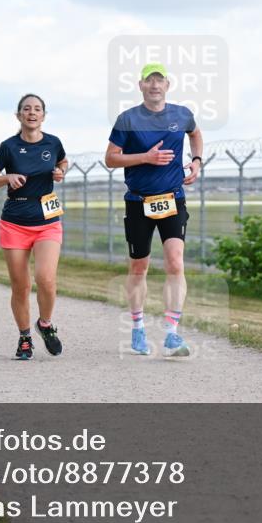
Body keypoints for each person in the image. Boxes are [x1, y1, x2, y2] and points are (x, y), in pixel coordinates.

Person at [104, 62, 204, 358]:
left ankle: (172, 333)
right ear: (141, 85)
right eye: (149, 80)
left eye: (160, 80)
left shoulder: (182, 114)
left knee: (175, 262)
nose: (155, 85)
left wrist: (196, 161)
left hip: (173, 198)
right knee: (139, 267)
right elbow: (111, 158)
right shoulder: (127, 119)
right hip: (139, 202)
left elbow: (195, 134)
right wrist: (145, 157)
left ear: (167, 85)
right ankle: (138, 328)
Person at [0, 94, 67, 360]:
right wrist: (6, 177)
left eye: (37, 109)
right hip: (15, 222)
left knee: (46, 279)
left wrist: (60, 172)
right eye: (27, 109)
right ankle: (25, 338)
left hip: (47, 221)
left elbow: (62, 161)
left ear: (44, 115)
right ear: (18, 115)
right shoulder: (8, 147)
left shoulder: (53, 143)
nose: (32, 113)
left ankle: (45, 324)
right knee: (21, 286)